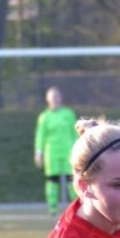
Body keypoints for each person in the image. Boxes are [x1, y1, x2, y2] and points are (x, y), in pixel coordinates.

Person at [34, 86, 79, 214]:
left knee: (72, 179)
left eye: (56, 96)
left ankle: (76, 207)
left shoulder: (68, 114)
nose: (54, 99)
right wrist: (39, 153)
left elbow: (74, 133)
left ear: (60, 98)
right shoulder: (44, 117)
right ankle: (52, 208)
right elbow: (40, 136)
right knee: (52, 180)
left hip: (68, 151)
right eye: (52, 97)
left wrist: (79, 149)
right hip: (51, 152)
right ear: (47, 99)